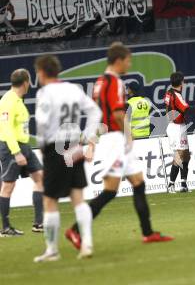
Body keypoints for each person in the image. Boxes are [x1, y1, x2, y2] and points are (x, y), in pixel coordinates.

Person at [65, 42, 173, 249]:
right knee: (110, 191)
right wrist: (128, 135)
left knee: (139, 183)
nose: (129, 65)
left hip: (112, 138)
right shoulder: (114, 82)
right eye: (128, 60)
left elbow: (97, 113)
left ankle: (148, 233)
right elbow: (116, 112)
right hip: (115, 140)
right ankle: (75, 229)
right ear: (118, 60)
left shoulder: (100, 82)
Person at [33, 55, 101, 262]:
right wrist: (89, 140)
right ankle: (87, 242)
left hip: (56, 147)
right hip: (74, 145)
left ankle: (52, 250)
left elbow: (43, 122)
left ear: (42, 72)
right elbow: (95, 112)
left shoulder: (45, 93)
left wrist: (42, 146)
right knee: (78, 198)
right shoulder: (73, 89)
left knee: (49, 200)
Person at [0, 69, 44, 237]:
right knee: (8, 186)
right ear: (25, 82)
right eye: (29, 83)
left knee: (40, 177)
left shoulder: (18, 100)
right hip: (12, 148)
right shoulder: (8, 101)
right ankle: (5, 228)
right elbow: (6, 128)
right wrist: (16, 152)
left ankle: (38, 224)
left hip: (24, 146)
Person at [164, 71, 191, 193]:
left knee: (186, 155)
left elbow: (167, 108)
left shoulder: (169, 93)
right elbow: (186, 108)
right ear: (181, 82)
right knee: (179, 155)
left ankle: (183, 184)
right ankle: (171, 185)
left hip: (178, 125)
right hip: (176, 127)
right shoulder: (176, 95)